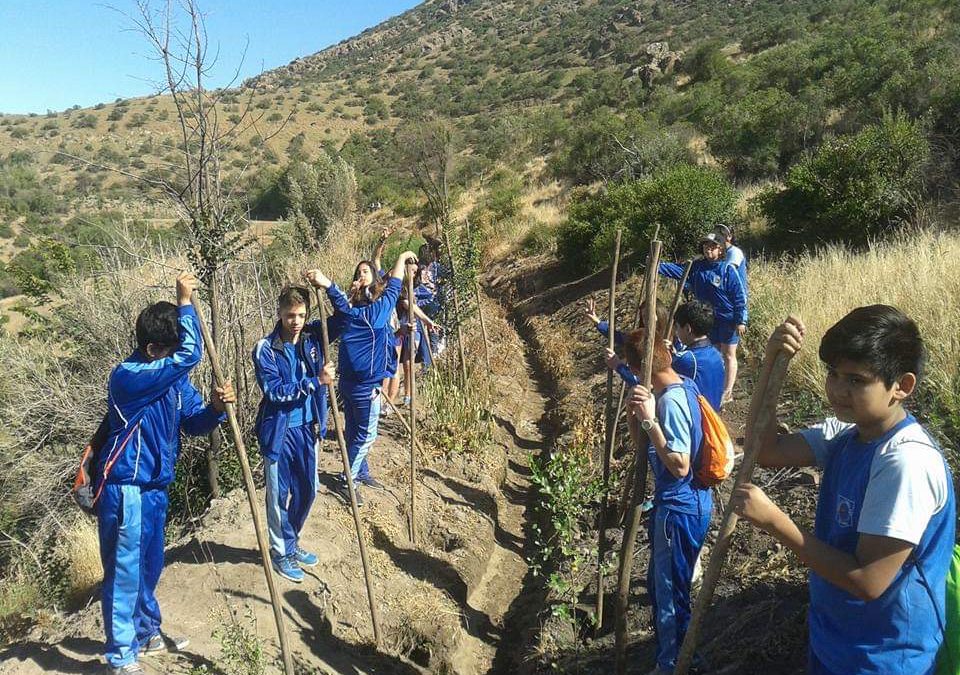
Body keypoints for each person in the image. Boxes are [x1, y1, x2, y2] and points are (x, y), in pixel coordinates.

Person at [732, 306, 955, 674]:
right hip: (835, 638)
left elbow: (868, 581)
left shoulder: (905, 463)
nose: (837, 389)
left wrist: (774, 522)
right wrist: (772, 364)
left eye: (856, 380)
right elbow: (765, 448)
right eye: (833, 373)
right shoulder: (847, 434)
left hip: (883, 657)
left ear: (902, 386)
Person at [96, 272, 235, 674]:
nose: (178, 360)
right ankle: (121, 655)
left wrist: (215, 409)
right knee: (124, 573)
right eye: (171, 351)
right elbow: (190, 354)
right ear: (154, 349)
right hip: (128, 489)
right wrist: (186, 302)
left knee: (149, 568)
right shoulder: (129, 376)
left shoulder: (173, 382)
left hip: (155, 490)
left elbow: (193, 422)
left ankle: (145, 632)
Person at [621, 328, 713, 675]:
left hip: (679, 509)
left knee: (671, 594)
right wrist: (635, 417)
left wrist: (649, 421)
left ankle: (673, 665)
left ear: (637, 368)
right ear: (668, 355)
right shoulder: (683, 385)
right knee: (663, 587)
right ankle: (683, 657)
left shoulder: (671, 401)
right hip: (682, 505)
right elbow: (644, 448)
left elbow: (679, 464)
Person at [304, 250, 418, 506]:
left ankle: (361, 471)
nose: (361, 275)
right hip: (365, 387)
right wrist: (402, 257)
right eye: (359, 273)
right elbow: (394, 286)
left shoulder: (355, 315)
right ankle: (348, 479)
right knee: (366, 435)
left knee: (354, 431)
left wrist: (399, 331)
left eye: (366, 272)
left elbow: (370, 328)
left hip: (350, 384)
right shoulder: (373, 313)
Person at [252, 286, 336, 583]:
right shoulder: (266, 348)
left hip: (308, 428)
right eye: (290, 315)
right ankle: (281, 552)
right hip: (279, 432)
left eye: (301, 315)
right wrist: (315, 381)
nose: (296, 321)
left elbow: (347, 319)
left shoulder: (313, 339)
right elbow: (274, 392)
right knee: (278, 495)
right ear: (279, 313)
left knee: (308, 489)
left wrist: (329, 286)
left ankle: (292, 540)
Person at [659, 232, 746, 406]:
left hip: (728, 319)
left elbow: (739, 296)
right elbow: (678, 271)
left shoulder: (727, 269)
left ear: (720, 249)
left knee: (729, 354)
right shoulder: (697, 267)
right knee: (714, 353)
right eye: (706, 246)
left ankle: (727, 392)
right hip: (707, 319)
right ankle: (716, 387)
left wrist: (741, 320)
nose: (708, 250)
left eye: (712, 246)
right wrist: (657, 266)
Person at [671, 300, 725, 411]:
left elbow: (664, 380)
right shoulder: (716, 354)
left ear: (688, 329)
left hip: (696, 417)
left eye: (677, 327)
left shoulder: (688, 359)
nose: (676, 332)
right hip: (712, 415)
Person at [715, 223, 747, 296]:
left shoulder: (735, 252)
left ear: (729, 236)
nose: (717, 236)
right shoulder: (720, 252)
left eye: (720, 233)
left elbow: (726, 274)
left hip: (736, 296)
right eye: (715, 233)